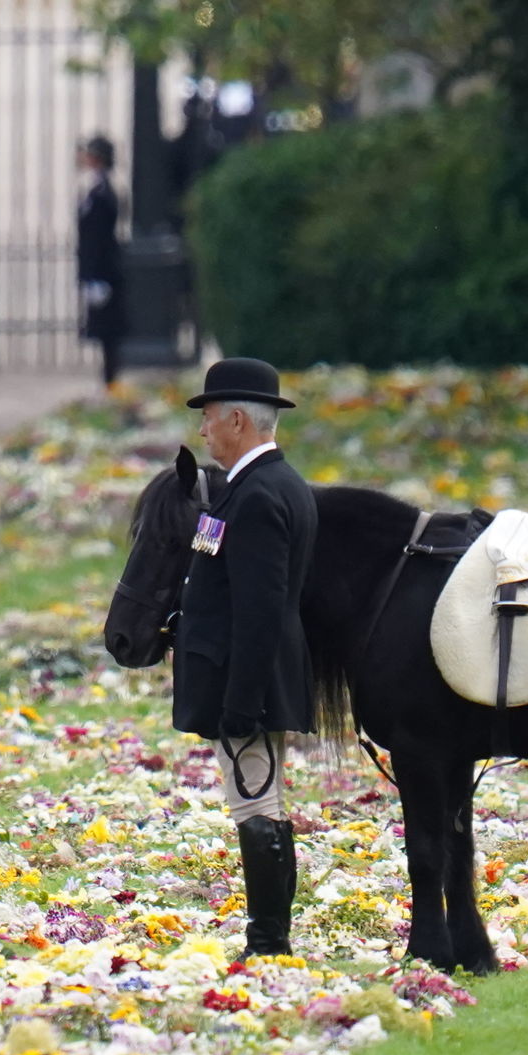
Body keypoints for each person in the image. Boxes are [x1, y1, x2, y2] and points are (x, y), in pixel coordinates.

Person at [174, 357, 320, 958]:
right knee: (264, 802)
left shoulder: (258, 495)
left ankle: (268, 942)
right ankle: (270, 936)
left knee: (255, 805)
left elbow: (261, 610)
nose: (203, 432)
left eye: (208, 419)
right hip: (245, 676)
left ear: (236, 419)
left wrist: (241, 701)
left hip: (247, 683)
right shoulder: (258, 487)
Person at [77, 135, 129, 388]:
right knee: (103, 329)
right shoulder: (96, 188)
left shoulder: (103, 191)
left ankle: (111, 379)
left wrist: (94, 274)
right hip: (98, 270)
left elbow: (98, 237)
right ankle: (108, 379)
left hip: (104, 270)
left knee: (109, 331)